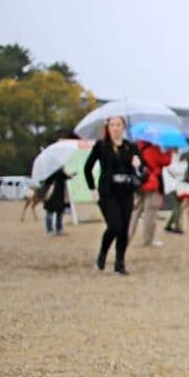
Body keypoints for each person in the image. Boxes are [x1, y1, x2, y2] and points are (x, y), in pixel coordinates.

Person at [83, 115, 143, 274]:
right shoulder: (101, 146)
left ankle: (120, 262)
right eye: (112, 125)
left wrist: (137, 166)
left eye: (119, 125)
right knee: (115, 225)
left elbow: (141, 171)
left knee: (124, 229)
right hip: (108, 192)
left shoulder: (130, 147)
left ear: (123, 127)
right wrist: (92, 188)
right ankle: (102, 254)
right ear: (108, 128)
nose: (116, 128)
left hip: (126, 191)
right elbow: (87, 168)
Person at [129, 142, 169, 248]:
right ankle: (148, 240)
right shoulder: (154, 150)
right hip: (151, 184)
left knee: (135, 212)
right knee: (150, 213)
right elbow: (166, 161)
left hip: (138, 183)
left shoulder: (135, 147)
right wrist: (169, 151)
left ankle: (127, 237)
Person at [162, 155, 189, 235]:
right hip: (175, 187)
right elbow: (179, 172)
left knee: (178, 207)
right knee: (177, 208)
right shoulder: (175, 161)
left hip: (173, 186)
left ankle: (168, 226)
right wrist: (184, 163)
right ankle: (177, 227)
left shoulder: (169, 159)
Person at [41, 167, 71, 236]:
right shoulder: (60, 171)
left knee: (50, 213)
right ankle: (58, 229)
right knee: (58, 213)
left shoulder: (47, 171)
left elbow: (45, 182)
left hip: (50, 195)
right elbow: (67, 177)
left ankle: (50, 230)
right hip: (57, 194)